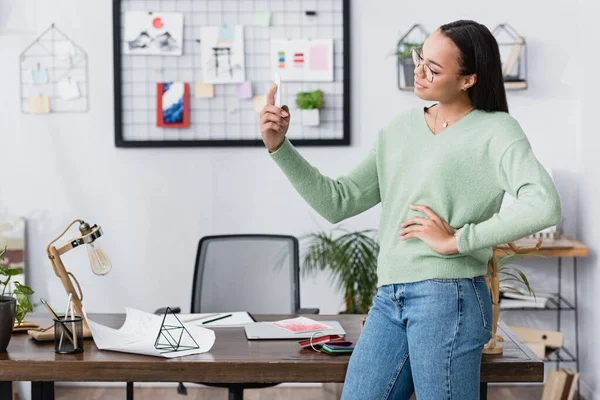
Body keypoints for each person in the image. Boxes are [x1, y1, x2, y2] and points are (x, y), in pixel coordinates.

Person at [259, 19, 562, 400]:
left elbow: (544, 204)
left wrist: (457, 241)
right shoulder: (398, 131)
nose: (418, 71)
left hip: (449, 298)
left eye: (433, 68)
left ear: (468, 79)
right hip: (389, 297)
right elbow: (338, 202)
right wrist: (279, 148)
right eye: (420, 58)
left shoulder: (497, 131)